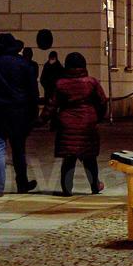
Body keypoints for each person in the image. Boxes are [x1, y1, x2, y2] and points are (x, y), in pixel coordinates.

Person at [0, 33, 39, 196]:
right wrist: (34, 113)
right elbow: (33, 92)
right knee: (19, 149)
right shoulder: (24, 65)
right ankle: (22, 183)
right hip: (19, 112)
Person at [49, 52, 108, 196]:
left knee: (69, 159)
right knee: (90, 158)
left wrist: (42, 119)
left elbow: (51, 104)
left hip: (67, 122)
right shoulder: (91, 82)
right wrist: (97, 117)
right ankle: (95, 185)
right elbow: (102, 101)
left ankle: (67, 188)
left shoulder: (61, 83)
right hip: (87, 123)